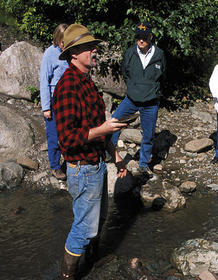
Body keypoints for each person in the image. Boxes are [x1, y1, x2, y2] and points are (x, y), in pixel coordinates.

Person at [53, 24, 128, 279]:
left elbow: (98, 127)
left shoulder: (87, 82)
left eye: (93, 46)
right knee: (83, 229)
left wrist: (116, 157)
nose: (94, 50)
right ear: (74, 54)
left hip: (96, 165)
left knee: (98, 222)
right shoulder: (67, 87)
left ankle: (94, 265)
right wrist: (102, 129)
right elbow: (67, 139)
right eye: (88, 48)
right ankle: (67, 275)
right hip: (81, 169)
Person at [110, 22, 166, 177]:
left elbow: (163, 76)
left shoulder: (159, 54)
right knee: (114, 122)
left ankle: (143, 164)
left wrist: (153, 90)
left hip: (151, 102)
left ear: (151, 36)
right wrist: (133, 87)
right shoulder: (129, 53)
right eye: (138, 37)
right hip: (131, 99)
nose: (141, 40)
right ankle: (110, 154)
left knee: (148, 135)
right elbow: (125, 73)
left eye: (144, 37)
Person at [39, 23, 69, 180]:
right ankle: (55, 167)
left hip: (68, 100)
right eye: (62, 41)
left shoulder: (71, 52)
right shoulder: (50, 54)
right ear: (57, 39)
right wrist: (46, 107)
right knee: (53, 136)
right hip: (53, 100)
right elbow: (44, 81)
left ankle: (71, 161)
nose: (64, 44)